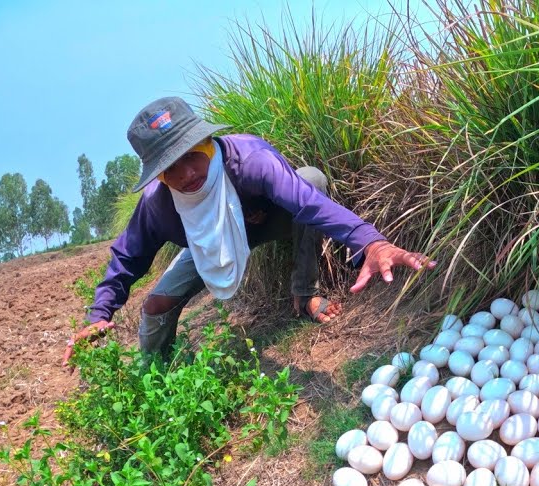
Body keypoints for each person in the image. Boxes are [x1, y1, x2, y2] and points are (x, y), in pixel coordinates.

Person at [63, 96, 434, 364]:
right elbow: (127, 257)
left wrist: (370, 241)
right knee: (156, 304)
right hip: (208, 246)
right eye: (171, 167)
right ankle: (154, 375)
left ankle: (304, 293)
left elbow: (308, 202)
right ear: (158, 173)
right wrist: (99, 315)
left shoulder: (250, 161)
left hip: (270, 222)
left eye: (193, 154)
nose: (187, 174)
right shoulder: (158, 204)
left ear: (208, 143)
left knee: (312, 180)